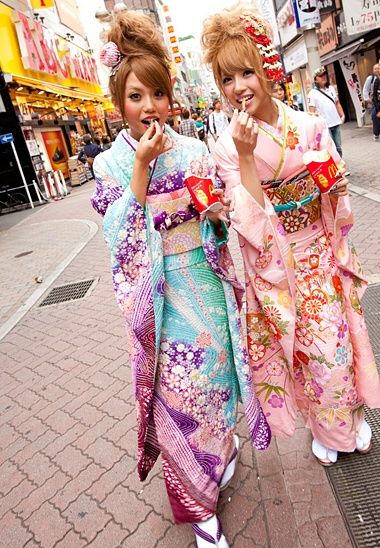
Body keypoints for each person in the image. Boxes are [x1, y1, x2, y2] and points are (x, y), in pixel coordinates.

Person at [91, 10, 270, 547]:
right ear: (118, 103)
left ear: (172, 97)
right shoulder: (109, 166)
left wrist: (214, 214)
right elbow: (118, 238)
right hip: (161, 303)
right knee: (178, 396)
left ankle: (219, 458)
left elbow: (222, 210)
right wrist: (142, 172)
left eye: (157, 95)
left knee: (214, 388)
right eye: (135, 97)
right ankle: (197, 504)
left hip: (205, 286)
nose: (149, 108)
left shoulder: (194, 151)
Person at [202, 4, 380, 467]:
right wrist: (243, 156)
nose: (239, 87)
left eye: (247, 72)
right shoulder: (225, 146)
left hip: (321, 250)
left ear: (268, 69)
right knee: (309, 354)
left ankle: (352, 418)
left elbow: (333, 185)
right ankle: (329, 428)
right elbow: (252, 224)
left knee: (340, 342)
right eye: (226, 79)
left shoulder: (307, 124)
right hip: (280, 265)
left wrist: (334, 186)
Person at [308, 67, 345, 157]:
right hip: (325, 125)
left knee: (338, 146)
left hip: (335, 122)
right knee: (330, 148)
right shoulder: (312, 93)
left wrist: (342, 115)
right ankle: (335, 167)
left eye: (324, 75)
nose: (324, 77)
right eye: (320, 76)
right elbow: (311, 112)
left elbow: (337, 103)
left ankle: (340, 164)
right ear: (315, 80)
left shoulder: (331, 89)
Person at [372, 74, 380, 141]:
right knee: (375, 116)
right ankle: (376, 134)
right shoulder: (377, 79)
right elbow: (374, 96)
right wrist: (378, 110)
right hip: (378, 104)